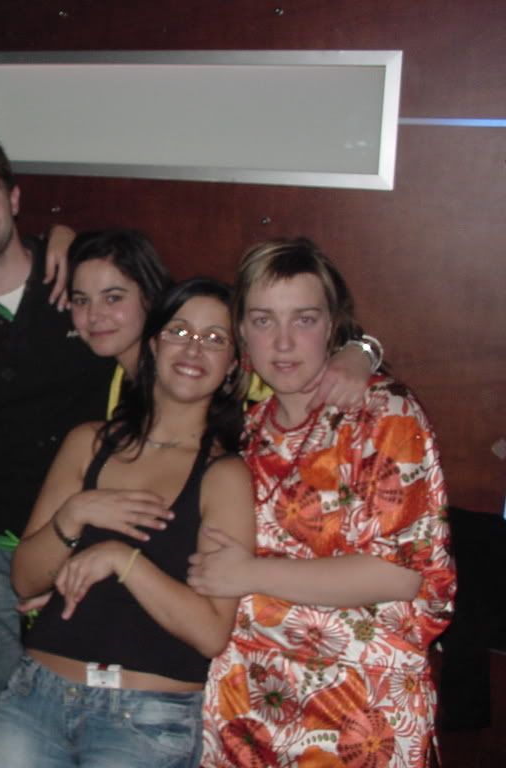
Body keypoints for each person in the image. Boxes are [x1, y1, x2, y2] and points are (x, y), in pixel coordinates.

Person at [189, 237, 456, 766]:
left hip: (361, 714)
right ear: (241, 331)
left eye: (304, 319)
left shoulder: (382, 413)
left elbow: (398, 574)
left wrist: (249, 573)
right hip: (245, 709)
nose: (284, 342)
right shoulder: (246, 432)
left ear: (333, 325)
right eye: (263, 320)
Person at [0, 278, 255, 767]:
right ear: (152, 343)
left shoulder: (224, 474)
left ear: (233, 365)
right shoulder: (89, 442)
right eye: (179, 331)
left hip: (146, 718)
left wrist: (122, 560)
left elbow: (211, 632)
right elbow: (24, 578)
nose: (193, 348)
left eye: (215, 338)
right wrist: (76, 513)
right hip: (37, 696)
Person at [0, 130, 118, 768]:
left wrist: (357, 350)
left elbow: (180, 328)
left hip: (88, 536)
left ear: (14, 199)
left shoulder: (79, 279)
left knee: (92, 715)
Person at [67, 228, 381, 418]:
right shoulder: (111, 380)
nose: (94, 315)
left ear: (149, 295)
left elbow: (319, 352)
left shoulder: (236, 368)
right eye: (81, 300)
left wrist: (363, 351)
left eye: (113, 298)